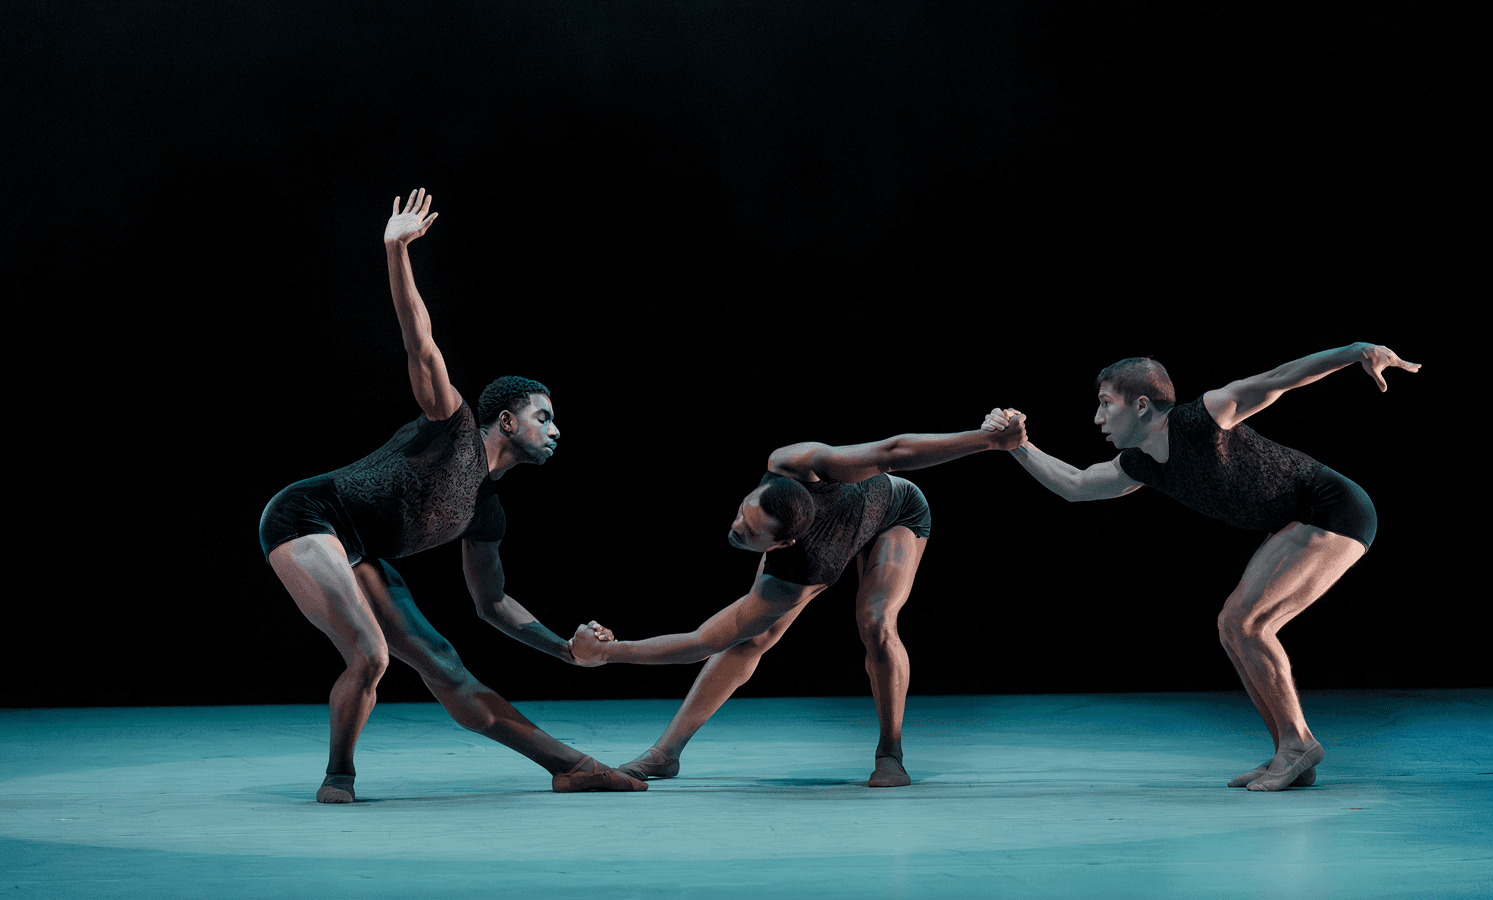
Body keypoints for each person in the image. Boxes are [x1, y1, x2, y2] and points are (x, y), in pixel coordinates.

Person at [258, 189, 645, 801]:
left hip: (357, 547)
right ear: (508, 421)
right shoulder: (453, 425)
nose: (556, 428)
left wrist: (566, 652)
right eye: (544, 416)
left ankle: (568, 765)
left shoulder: (485, 513)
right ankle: (340, 775)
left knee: (443, 662)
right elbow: (420, 342)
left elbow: (493, 605)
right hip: (307, 516)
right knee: (370, 654)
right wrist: (395, 251)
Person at [983, 344, 1419, 791]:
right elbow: (1076, 485)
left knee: (1244, 621)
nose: (1097, 419)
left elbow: (1280, 376)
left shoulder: (1204, 416)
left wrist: (1355, 352)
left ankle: (1298, 744)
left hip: (1331, 507)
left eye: (1105, 404)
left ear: (1141, 405)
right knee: (1234, 626)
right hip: (1294, 520)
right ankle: (1289, 755)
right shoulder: (1140, 463)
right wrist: (1018, 447)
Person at [567, 417, 1028, 787]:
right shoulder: (794, 463)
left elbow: (699, 642)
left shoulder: (804, 570)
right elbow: (890, 451)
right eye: (742, 514)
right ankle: (665, 754)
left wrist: (988, 442)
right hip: (838, 521)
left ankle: (890, 752)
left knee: (876, 623)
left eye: (749, 535)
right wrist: (610, 650)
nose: (735, 530)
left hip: (896, 512)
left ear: (782, 544)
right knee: (750, 640)